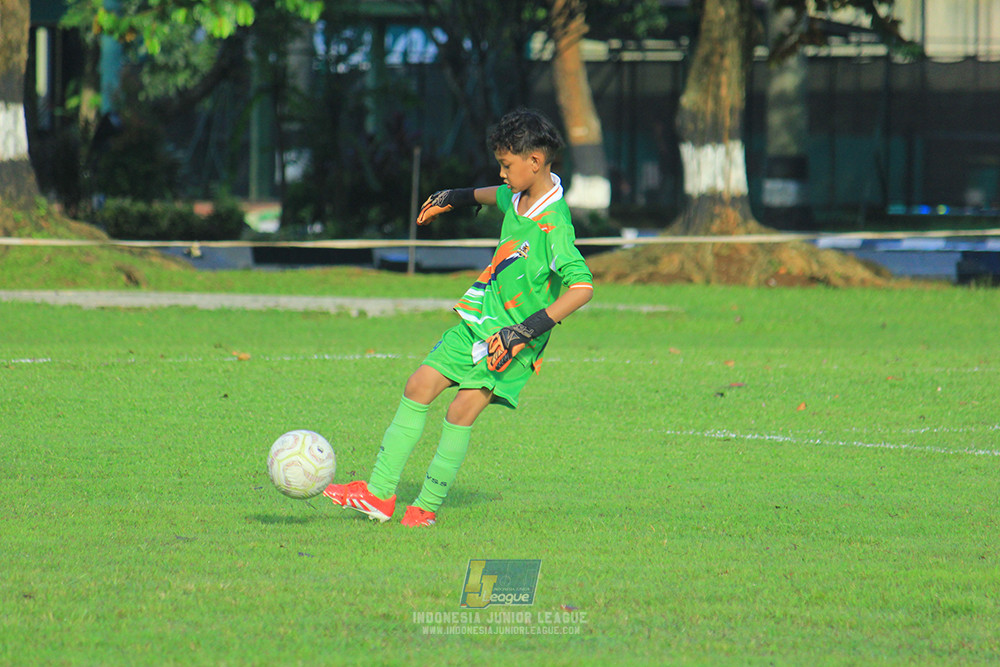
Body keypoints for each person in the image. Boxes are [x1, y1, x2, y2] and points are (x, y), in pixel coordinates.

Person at [323, 108, 594, 527]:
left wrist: (523, 332)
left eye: (506, 165)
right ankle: (378, 495)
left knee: (459, 412)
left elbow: (582, 288)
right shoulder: (519, 196)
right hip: (478, 323)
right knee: (418, 385)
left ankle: (425, 507)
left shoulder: (554, 226)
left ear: (535, 162)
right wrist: (452, 197)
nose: (502, 174)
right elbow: (492, 195)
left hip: (513, 341)